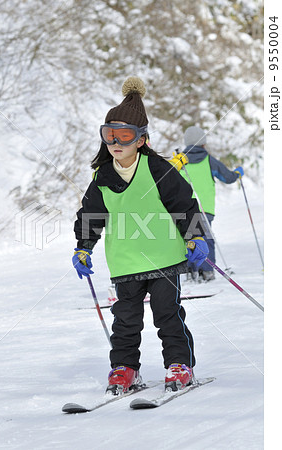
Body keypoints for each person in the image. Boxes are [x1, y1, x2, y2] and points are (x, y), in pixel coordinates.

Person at [72, 77, 208, 395]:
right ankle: (125, 368)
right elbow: (91, 215)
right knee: (126, 318)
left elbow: (185, 206)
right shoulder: (103, 177)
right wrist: (83, 247)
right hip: (125, 260)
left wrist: (196, 237)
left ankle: (179, 364)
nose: (116, 142)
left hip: (165, 257)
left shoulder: (159, 170)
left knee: (167, 314)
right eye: (110, 135)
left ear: (141, 139)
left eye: (124, 135)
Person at [178, 125, 244, 282]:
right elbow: (227, 177)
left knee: (189, 238)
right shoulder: (209, 160)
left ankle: (190, 271)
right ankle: (207, 271)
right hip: (205, 208)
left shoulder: (179, 160)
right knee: (206, 237)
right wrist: (237, 173)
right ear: (203, 143)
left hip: (184, 207)